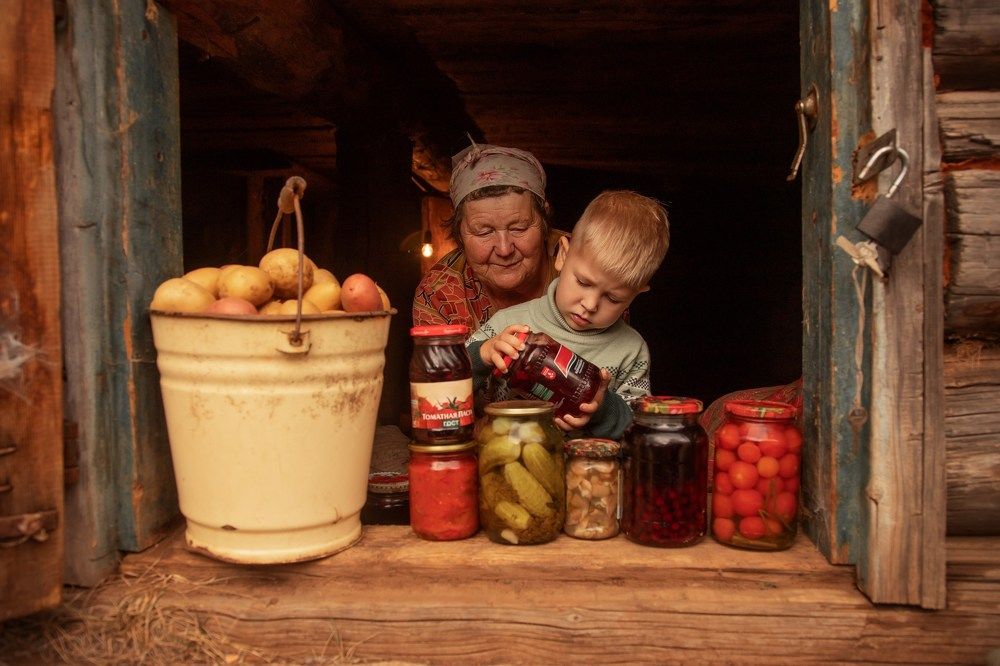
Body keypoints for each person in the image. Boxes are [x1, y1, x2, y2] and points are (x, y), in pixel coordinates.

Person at [466, 190, 670, 440]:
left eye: (613, 298)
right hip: (505, 465)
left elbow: (641, 432)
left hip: (590, 474)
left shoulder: (631, 351)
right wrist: (482, 355)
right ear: (563, 256)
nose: (590, 304)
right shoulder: (506, 325)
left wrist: (602, 409)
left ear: (636, 294)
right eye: (583, 282)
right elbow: (447, 388)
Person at [412, 142, 568, 333]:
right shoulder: (437, 296)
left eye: (519, 228)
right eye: (484, 232)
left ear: (544, 218)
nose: (504, 249)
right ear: (459, 230)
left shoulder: (591, 259)